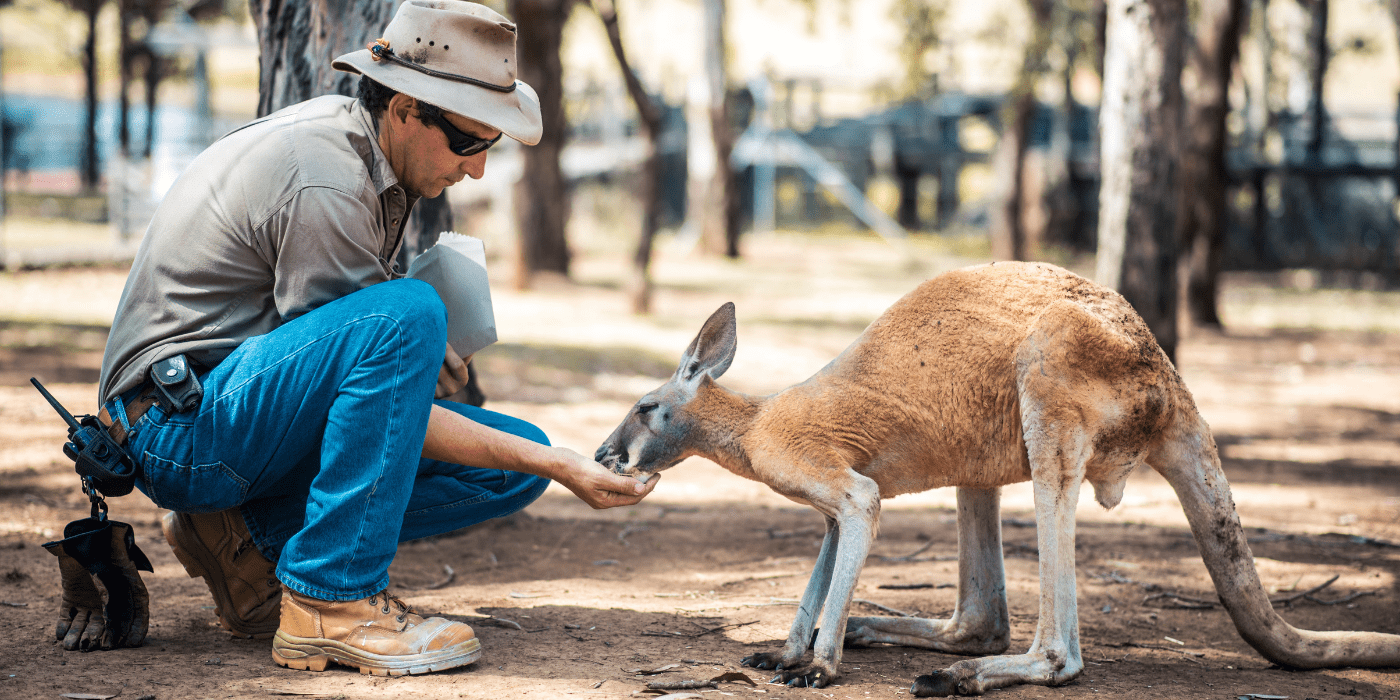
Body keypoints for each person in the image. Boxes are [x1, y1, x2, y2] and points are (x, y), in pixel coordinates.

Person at [93, 0, 658, 676]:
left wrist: (536, 453)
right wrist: (562, 465)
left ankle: (248, 541)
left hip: (222, 411)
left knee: (512, 460)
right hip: (176, 433)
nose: (477, 169)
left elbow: (357, 408)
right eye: (469, 142)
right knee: (413, 318)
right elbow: (379, 397)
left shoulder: (371, 159)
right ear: (405, 111)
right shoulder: (327, 177)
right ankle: (330, 599)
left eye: (490, 146)